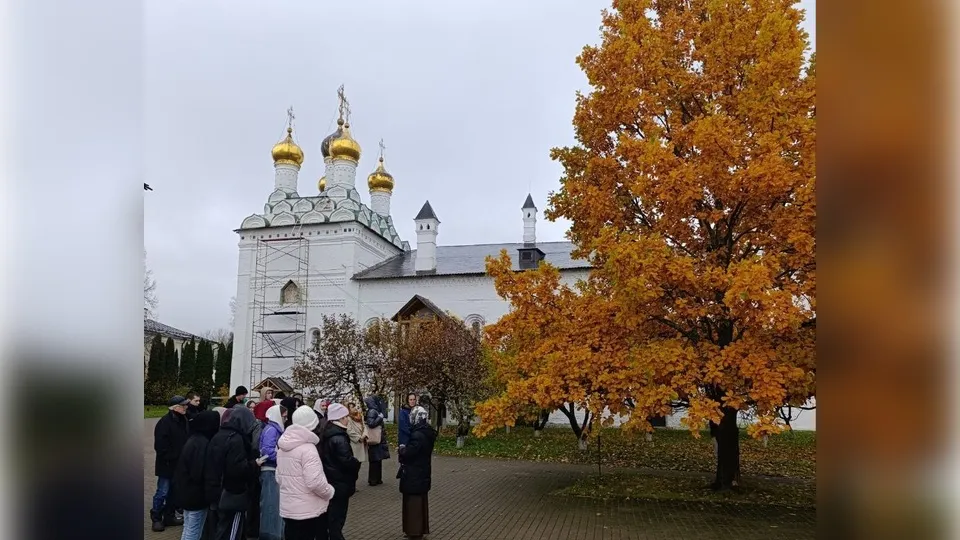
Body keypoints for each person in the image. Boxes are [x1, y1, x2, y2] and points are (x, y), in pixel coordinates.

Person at [204, 405, 266, 540]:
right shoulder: (236, 439)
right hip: (233, 494)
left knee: (221, 527)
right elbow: (237, 469)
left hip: (217, 490)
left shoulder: (219, 435)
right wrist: (254, 464)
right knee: (232, 530)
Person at [276, 406, 335, 540]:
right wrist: (329, 492)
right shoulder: (308, 449)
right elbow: (315, 482)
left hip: (288, 509)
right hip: (308, 511)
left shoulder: (283, 448)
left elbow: (278, 477)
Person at [172, 410, 221, 540]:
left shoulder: (194, 439)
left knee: (188, 528)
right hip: (195, 496)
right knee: (194, 530)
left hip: (187, 493)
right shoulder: (202, 443)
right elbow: (198, 473)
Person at [318, 404, 361, 540]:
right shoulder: (339, 438)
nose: (348, 419)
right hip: (340, 482)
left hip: (330, 480)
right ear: (340, 418)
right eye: (346, 416)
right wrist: (356, 464)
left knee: (329, 519)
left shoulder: (327, 433)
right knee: (337, 520)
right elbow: (346, 461)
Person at [151, 395, 190, 532]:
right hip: (167, 465)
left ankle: (169, 516)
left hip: (179, 465)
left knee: (174, 492)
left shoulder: (184, 420)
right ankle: (156, 518)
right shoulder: (164, 423)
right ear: (175, 407)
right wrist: (176, 456)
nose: (186, 407)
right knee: (162, 492)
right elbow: (160, 447)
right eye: (183, 405)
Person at [398, 406, 437, 540]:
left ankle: (414, 531)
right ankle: (419, 529)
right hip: (422, 471)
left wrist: (402, 450)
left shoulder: (417, 435)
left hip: (414, 473)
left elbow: (410, 453)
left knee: (413, 503)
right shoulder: (427, 433)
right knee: (421, 502)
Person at [258, 405, 286, 540]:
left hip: (274, 470)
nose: (286, 418)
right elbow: (267, 452)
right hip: (270, 471)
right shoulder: (271, 430)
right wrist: (283, 457)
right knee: (271, 507)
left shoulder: (275, 429)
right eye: (284, 416)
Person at [362, 395, 390, 486]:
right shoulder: (372, 411)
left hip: (377, 439)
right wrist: (380, 417)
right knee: (375, 460)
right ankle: (373, 479)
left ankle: (377, 479)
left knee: (377, 459)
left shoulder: (373, 411)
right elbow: (371, 423)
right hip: (375, 438)